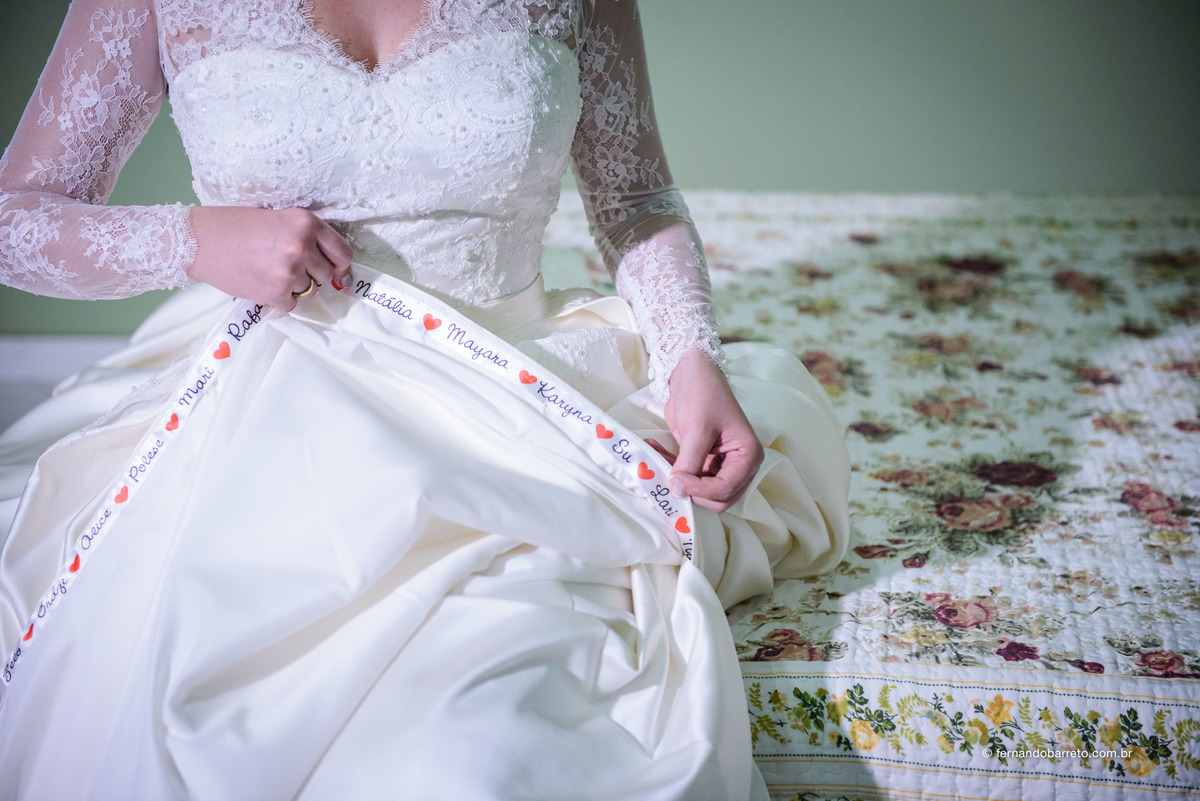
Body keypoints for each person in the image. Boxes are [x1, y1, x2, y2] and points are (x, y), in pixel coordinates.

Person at [0, 1, 850, 798]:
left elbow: (637, 201)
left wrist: (689, 358)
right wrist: (195, 238)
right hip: (263, 401)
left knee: (485, 745)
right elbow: (14, 218)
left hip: (512, 408)